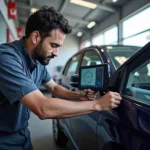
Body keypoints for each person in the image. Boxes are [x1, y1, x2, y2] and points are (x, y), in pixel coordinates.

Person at [0, 6, 122, 150]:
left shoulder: (38, 62)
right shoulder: (6, 58)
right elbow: (42, 108)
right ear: (35, 37)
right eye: (53, 45)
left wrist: (78, 95)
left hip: (23, 134)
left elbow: (55, 88)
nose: (56, 53)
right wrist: (98, 105)